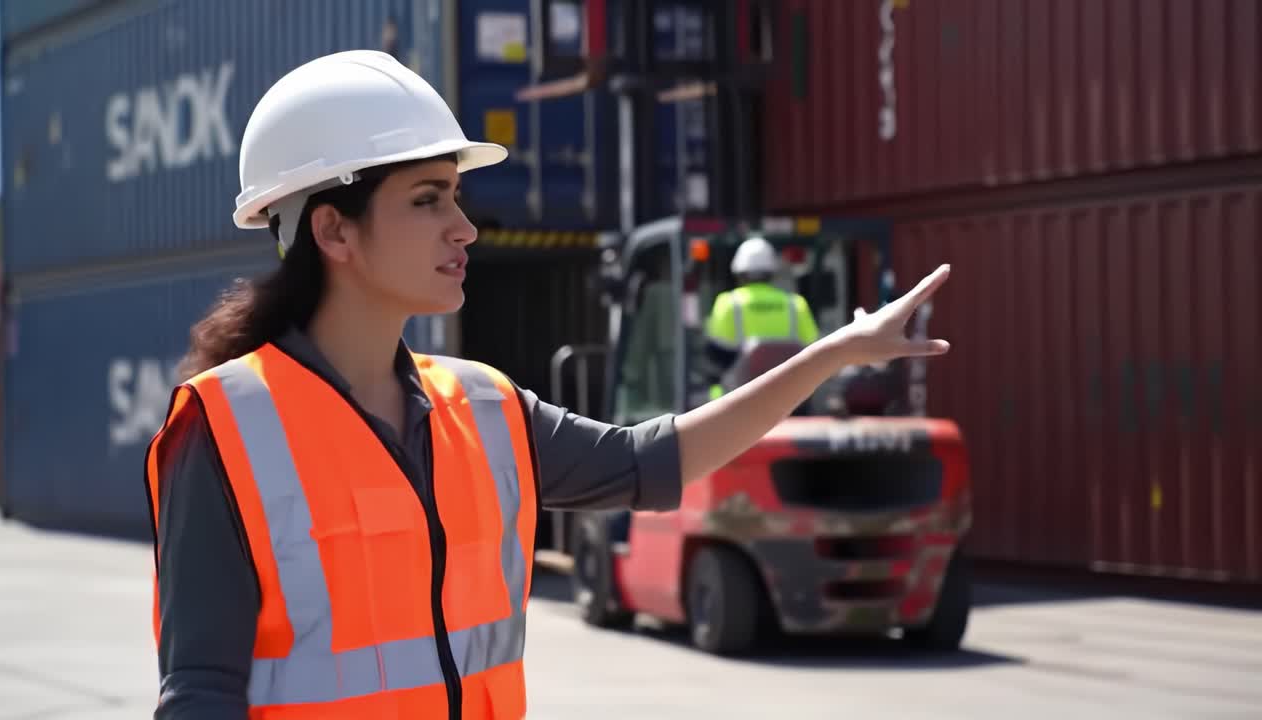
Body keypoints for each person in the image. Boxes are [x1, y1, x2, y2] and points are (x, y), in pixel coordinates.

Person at [144, 50, 952, 720]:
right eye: (428, 200)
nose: (464, 227)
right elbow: (201, 694)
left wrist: (833, 353)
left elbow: (651, 462)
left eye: (455, 196)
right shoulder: (226, 431)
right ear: (332, 230)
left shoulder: (485, 409)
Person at [703, 235, 821, 398]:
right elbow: (813, 348)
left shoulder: (729, 302)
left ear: (739, 272)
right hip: (791, 395)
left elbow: (717, 356)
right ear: (771, 272)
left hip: (742, 397)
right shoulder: (795, 303)